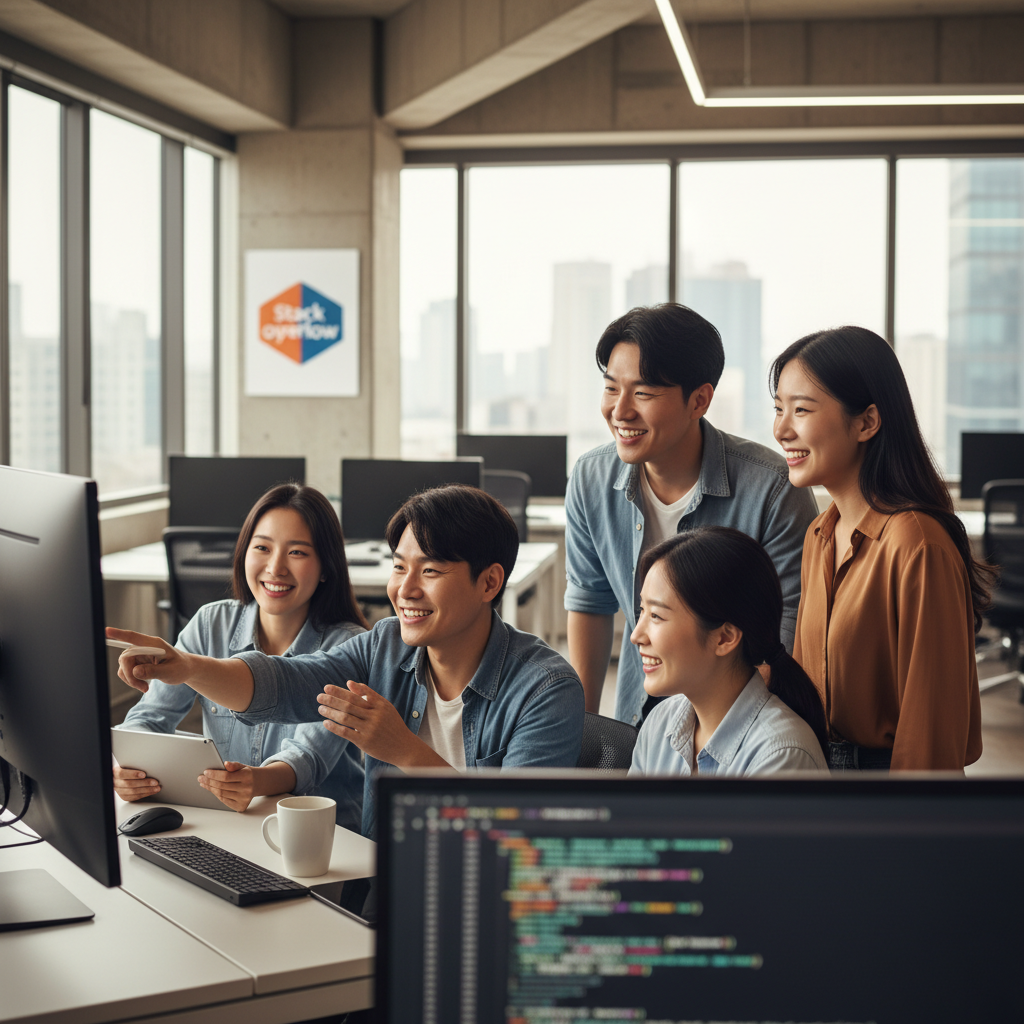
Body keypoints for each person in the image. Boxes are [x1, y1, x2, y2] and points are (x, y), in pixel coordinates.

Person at [108, 485, 585, 838]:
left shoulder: (545, 689)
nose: (405, 588)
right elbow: (286, 683)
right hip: (382, 875)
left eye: (431, 570)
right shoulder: (384, 645)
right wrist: (188, 667)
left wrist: (404, 751)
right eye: (399, 566)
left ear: (489, 583)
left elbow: (519, 839)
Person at [565, 303, 819, 726]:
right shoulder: (591, 477)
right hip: (638, 717)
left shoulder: (772, 487)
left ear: (699, 399)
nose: (621, 411)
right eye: (611, 388)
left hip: (741, 723)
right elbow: (590, 603)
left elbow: (788, 630)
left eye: (643, 393)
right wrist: (585, 733)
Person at [772, 326, 996, 771]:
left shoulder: (917, 544)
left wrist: (901, 826)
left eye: (801, 410)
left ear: (867, 422)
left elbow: (931, 733)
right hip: (815, 775)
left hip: (885, 789)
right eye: (778, 409)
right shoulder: (820, 534)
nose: (781, 429)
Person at [113, 484, 368, 832]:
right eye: (262, 547)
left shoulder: (349, 646)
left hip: (322, 837)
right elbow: (149, 717)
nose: (275, 568)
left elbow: (307, 759)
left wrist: (256, 782)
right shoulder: (210, 623)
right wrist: (130, 769)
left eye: (297, 553)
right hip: (229, 823)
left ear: (326, 566)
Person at [629, 527, 828, 776]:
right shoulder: (660, 724)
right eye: (642, 611)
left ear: (725, 638)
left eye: (656, 615)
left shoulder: (782, 755)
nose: (635, 636)